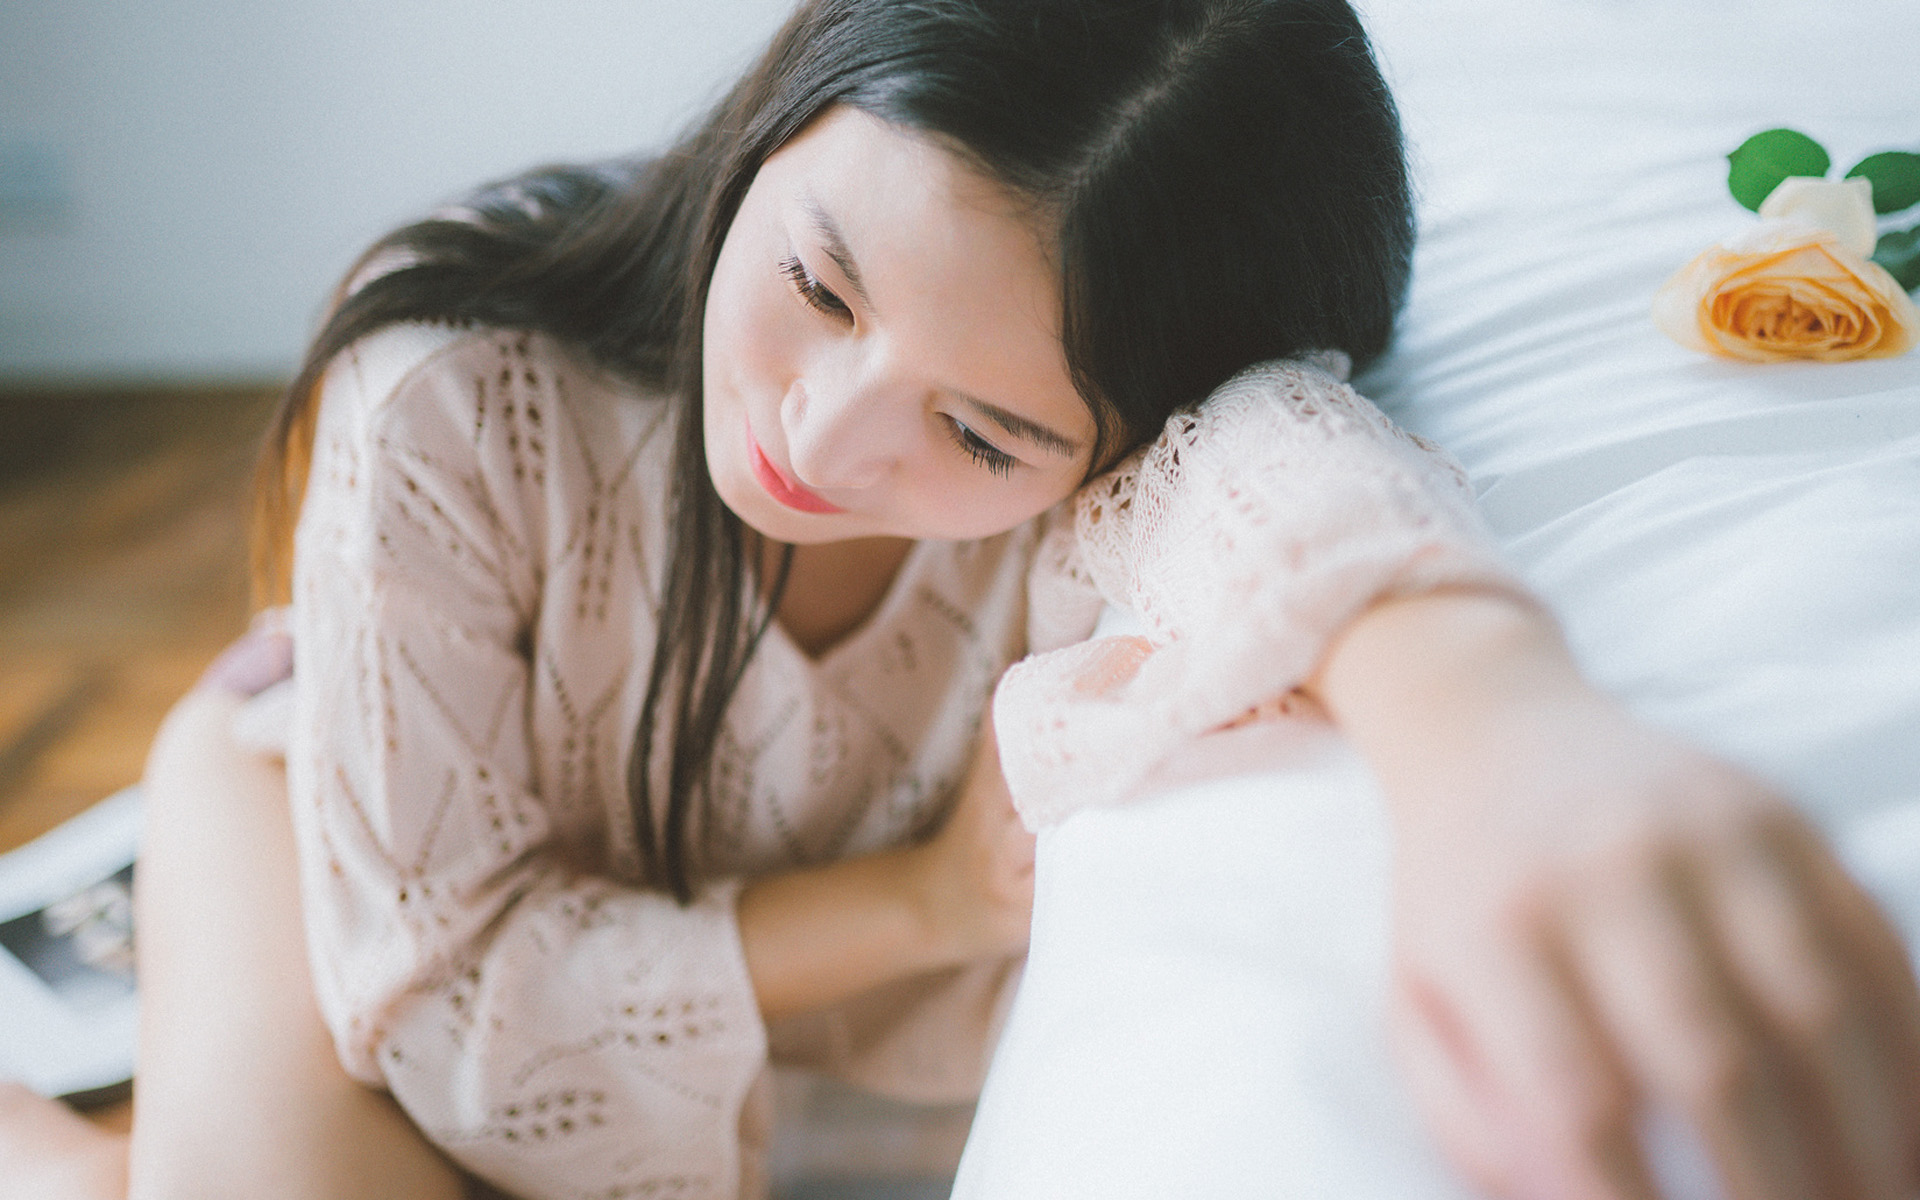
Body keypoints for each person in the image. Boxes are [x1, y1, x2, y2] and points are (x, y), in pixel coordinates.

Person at [2, 1, 1916, 1199]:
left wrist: (1495, 713)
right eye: (821, 286)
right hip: (315, 820)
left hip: (638, 947)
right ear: (791, 99)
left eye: (984, 431)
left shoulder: (1128, 442)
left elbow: (1280, 457)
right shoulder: (447, 386)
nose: (825, 439)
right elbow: (463, 1006)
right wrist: (919, 905)